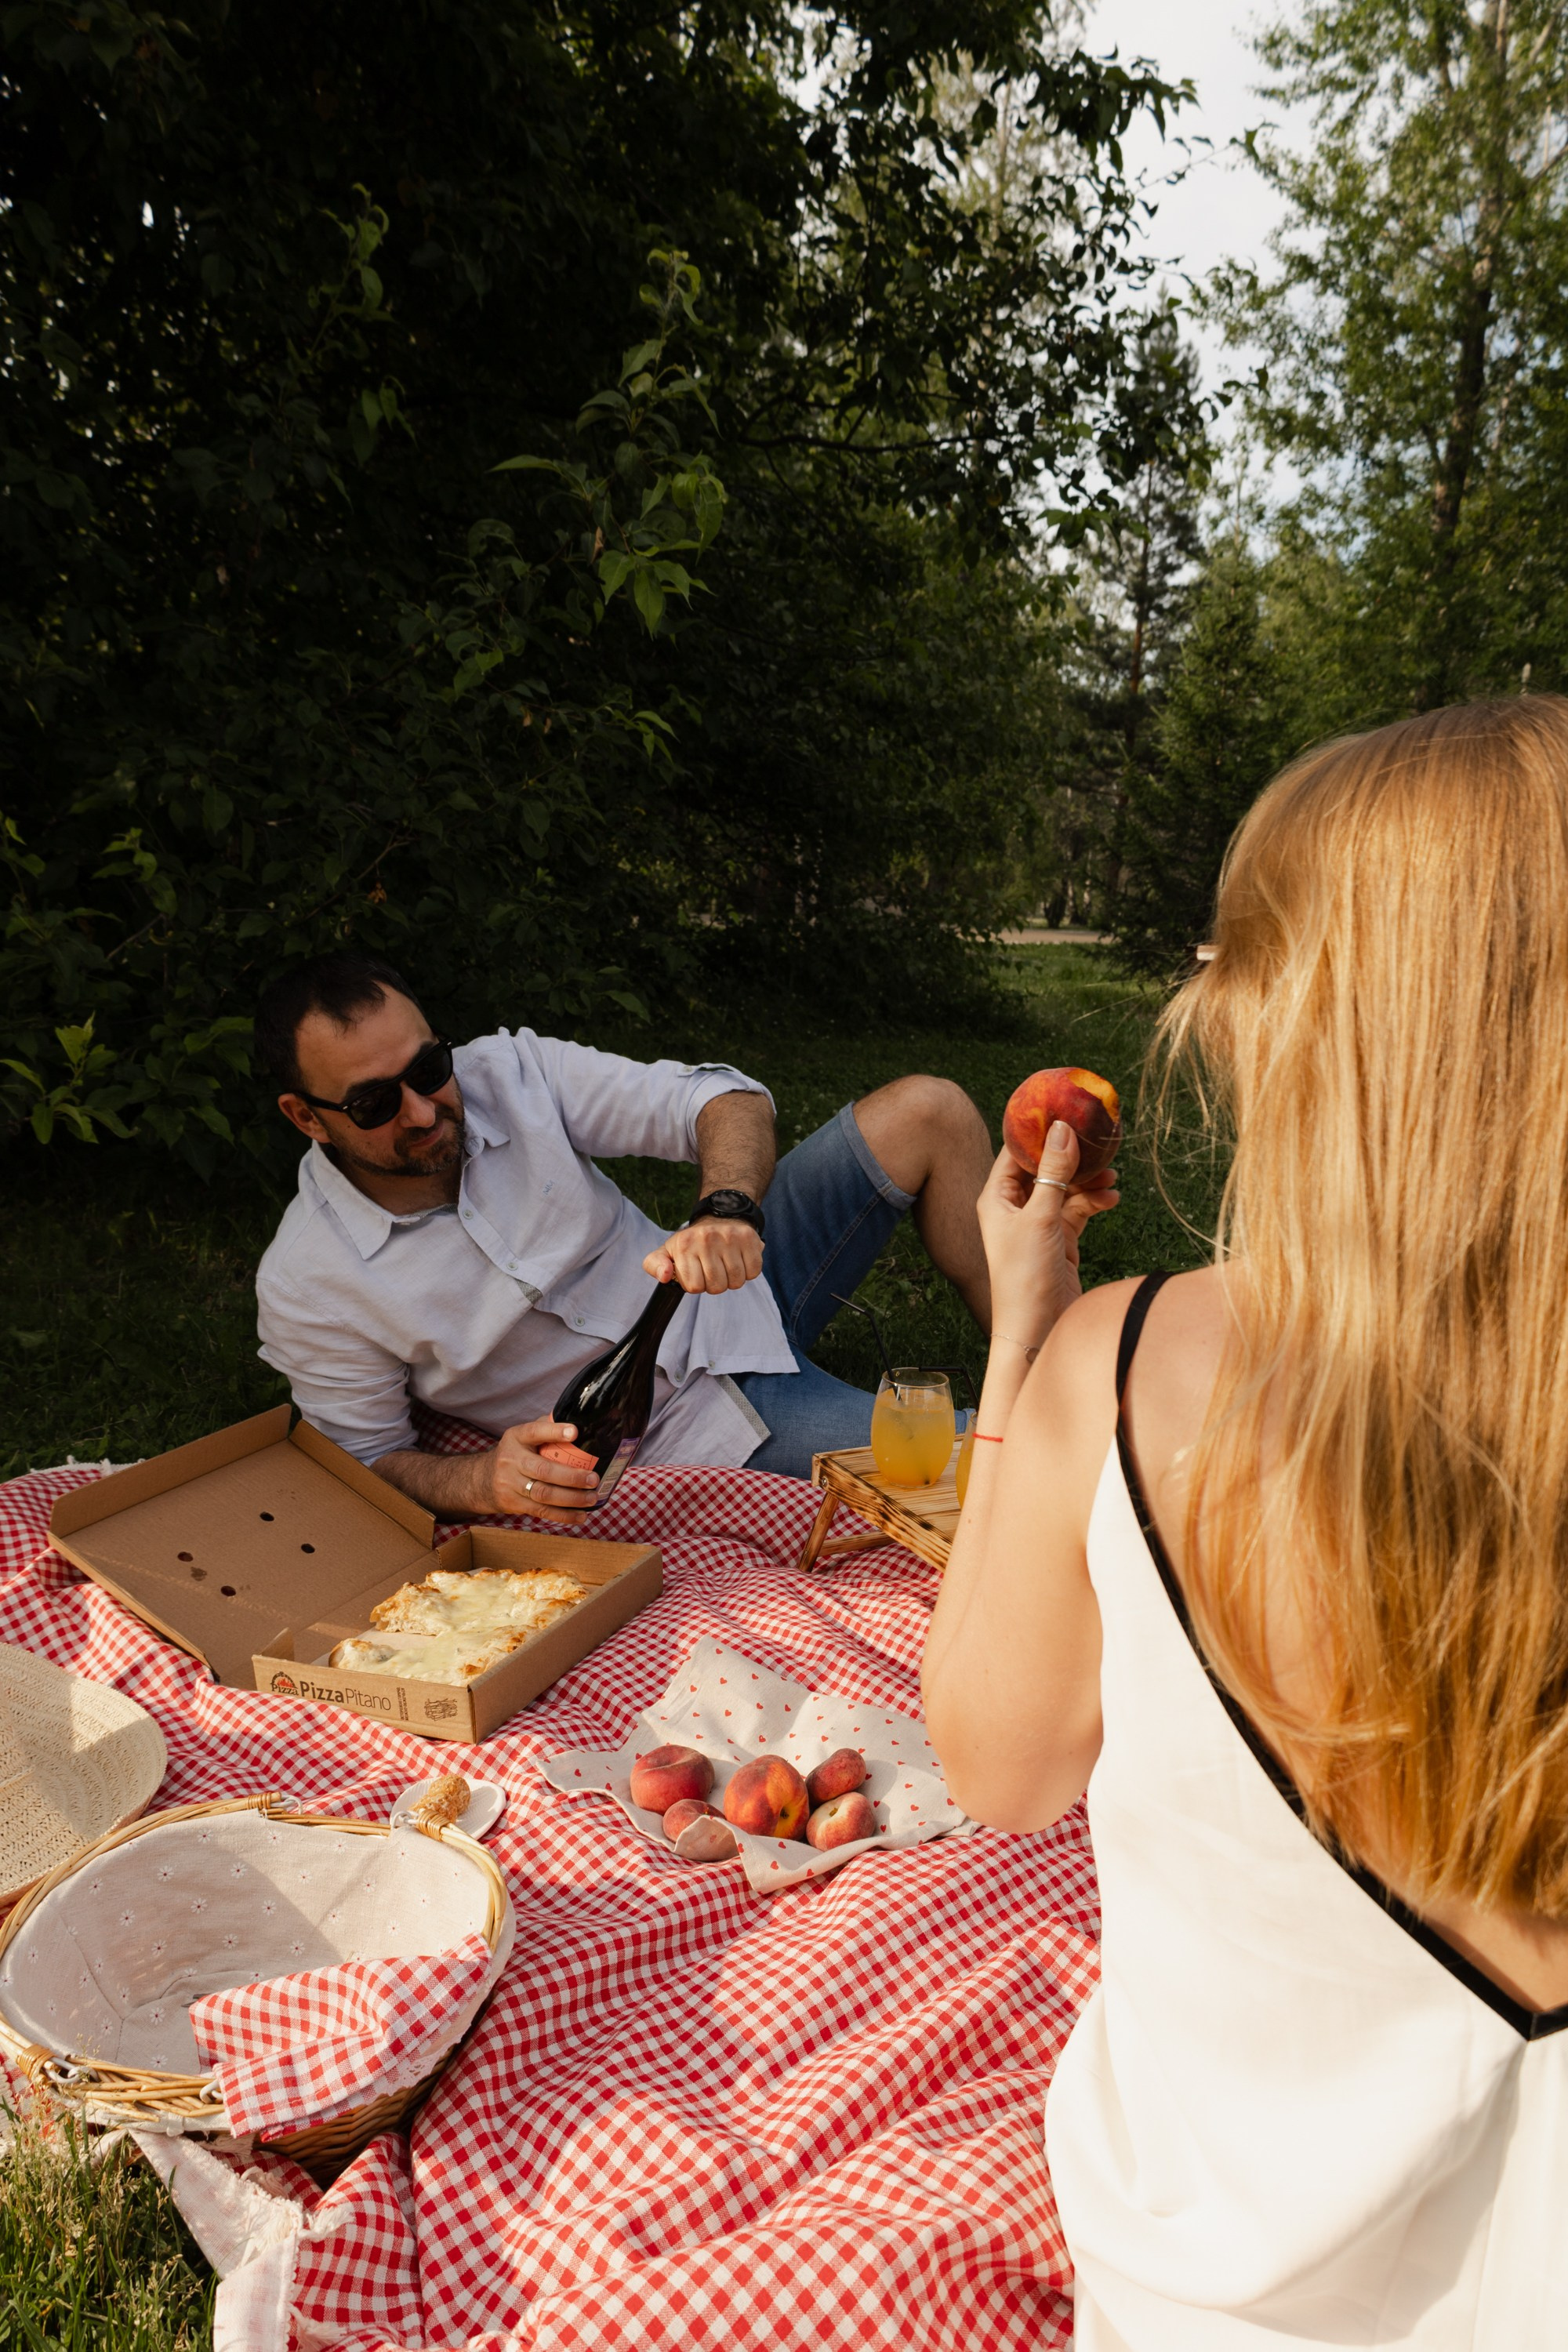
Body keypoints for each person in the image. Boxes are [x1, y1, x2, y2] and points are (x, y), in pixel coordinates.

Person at [923, 699, 1568, 2347]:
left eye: (1226, 953)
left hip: (1216, 2304)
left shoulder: (1124, 1363)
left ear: (1314, 1022)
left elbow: (996, 1771)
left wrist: (1029, 1331)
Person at [253, 953, 1017, 1519]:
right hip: (690, 1422)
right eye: (374, 1104)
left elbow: (721, 1102)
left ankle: (1048, 1362)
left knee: (930, 1110)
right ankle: (1076, 1429)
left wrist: (726, 1210)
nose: (421, 1111)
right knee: (1003, 1468)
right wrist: (480, 1481)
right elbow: (363, 1463)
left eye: (427, 1068)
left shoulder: (510, 1074)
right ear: (305, 1116)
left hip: (721, 1276)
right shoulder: (310, 1282)